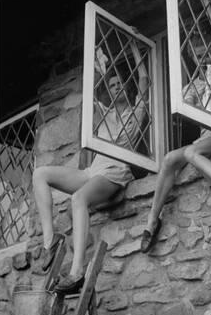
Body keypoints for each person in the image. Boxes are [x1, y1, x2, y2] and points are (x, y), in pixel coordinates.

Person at [140, 0, 211, 253]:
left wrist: (208, 8)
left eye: (202, 45)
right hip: (206, 139)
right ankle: (151, 221)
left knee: (192, 152)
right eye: (194, 48)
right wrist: (185, 98)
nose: (199, 50)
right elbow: (183, 108)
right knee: (170, 158)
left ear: (210, 47)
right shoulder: (197, 83)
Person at [33, 42, 149, 294]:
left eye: (120, 84)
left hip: (114, 172)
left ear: (126, 87)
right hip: (91, 172)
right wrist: (99, 63)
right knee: (40, 173)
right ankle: (49, 242)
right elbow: (93, 90)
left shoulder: (136, 111)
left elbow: (144, 78)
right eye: (112, 84)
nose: (116, 87)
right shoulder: (105, 113)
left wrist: (135, 47)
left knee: (78, 199)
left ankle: (76, 273)